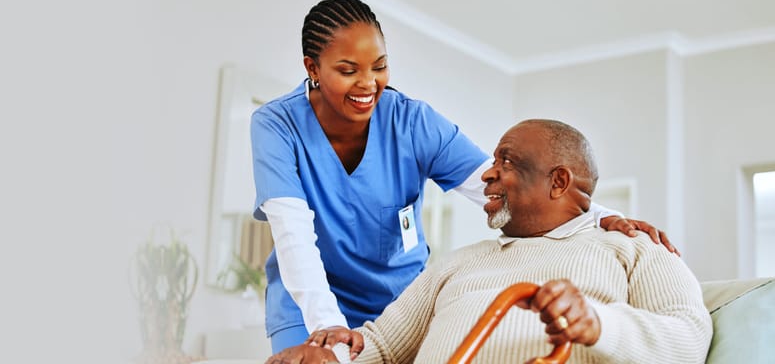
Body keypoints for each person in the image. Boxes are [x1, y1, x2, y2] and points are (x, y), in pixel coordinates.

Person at [250, 0, 675, 353]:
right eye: (348, 70)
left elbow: (498, 185)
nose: (369, 84)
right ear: (312, 68)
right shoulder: (276, 125)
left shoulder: (412, 122)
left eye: (379, 66)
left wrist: (598, 215)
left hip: (398, 307)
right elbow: (293, 236)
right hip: (309, 303)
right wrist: (327, 324)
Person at [266, 119, 712, 364]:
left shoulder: (634, 247)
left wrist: (599, 324)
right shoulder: (456, 264)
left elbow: (690, 340)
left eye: (507, 161)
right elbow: (381, 348)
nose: (487, 173)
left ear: (558, 182)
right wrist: (331, 362)